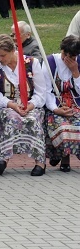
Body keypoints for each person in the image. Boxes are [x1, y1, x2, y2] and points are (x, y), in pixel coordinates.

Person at [0, 34, 48, 176]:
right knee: (12, 118)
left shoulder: (32, 63)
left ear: (13, 50)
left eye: (3, 55)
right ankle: (4, 158)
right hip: (6, 106)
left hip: (30, 105)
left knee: (32, 119)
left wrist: (30, 106)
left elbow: (40, 92)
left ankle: (40, 161)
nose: (0, 59)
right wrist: (12, 105)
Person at [43, 36, 80, 172]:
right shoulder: (50, 62)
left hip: (76, 103)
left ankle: (64, 155)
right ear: (62, 51)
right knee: (63, 127)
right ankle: (64, 157)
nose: (68, 60)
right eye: (66, 55)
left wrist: (75, 72)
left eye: (73, 57)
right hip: (55, 104)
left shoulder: (79, 63)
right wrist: (55, 109)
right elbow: (46, 90)